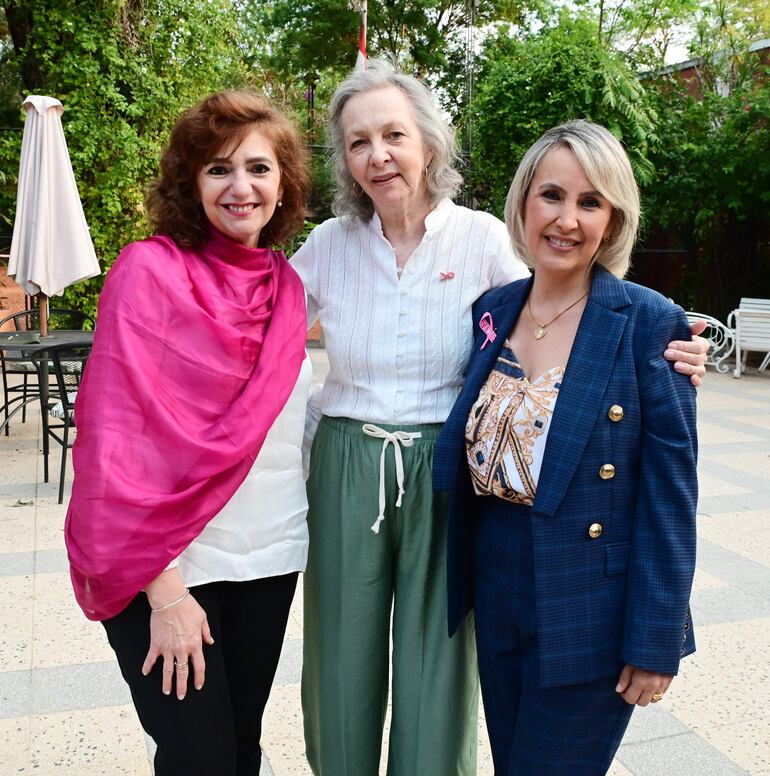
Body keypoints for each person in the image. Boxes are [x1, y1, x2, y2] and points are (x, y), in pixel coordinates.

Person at [291, 62, 707, 776]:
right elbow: (259, 328)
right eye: (359, 142)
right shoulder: (348, 251)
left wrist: (674, 353)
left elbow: (669, 493)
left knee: (443, 675)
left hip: (485, 508)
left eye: (394, 134)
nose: (378, 154)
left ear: (428, 143)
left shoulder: (490, 246)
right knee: (346, 658)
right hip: (402, 495)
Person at [434, 119, 699, 775]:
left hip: (589, 607)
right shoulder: (492, 309)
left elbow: (670, 497)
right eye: (552, 195)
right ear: (525, 201)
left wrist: (656, 638)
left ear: (612, 219)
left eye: (590, 202)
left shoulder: (648, 322)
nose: (567, 219)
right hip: (496, 588)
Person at [65, 91, 311, 776]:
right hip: (166, 567)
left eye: (259, 169)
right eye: (219, 169)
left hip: (266, 559)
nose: (242, 187)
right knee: (197, 758)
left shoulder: (287, 287)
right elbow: (113, 445)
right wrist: (166, 593)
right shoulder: (149, 272)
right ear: (189, 182)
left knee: (238, 747)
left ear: (284, 182)